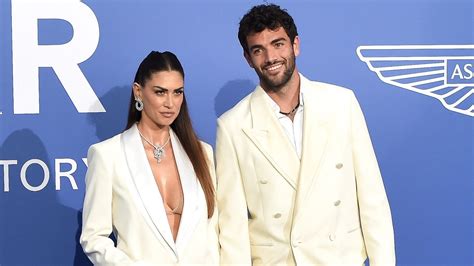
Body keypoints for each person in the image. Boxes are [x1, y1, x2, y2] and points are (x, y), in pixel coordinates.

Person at [216, 4, 395, 265]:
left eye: (278, 44)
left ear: (295, 45)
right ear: (248, 58)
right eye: (258, 50)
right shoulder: (233, 126)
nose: (270, 58)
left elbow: (372, 199)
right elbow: (232, 227)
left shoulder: (341, 104)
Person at [80, 51, 218, 265]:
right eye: (160, 92)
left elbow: (212, 232)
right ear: (138, 92)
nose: (170, 103)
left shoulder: (202, 153)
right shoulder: (108, 156)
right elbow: (94, 238)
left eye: (177, 92)